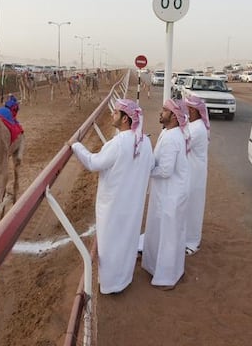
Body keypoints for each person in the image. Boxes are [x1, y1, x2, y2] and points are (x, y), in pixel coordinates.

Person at [69, 99, 153, 294]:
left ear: (125, 119)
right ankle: (123, 280)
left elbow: (93, 163)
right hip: (133, 205)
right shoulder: (145, 141)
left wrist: (76, 146)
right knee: (127, 241)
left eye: (115, 113)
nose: (112, 115)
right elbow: (150, 166)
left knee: (110, 244)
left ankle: (110, 285)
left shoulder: (118, 143)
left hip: (113, 207)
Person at [141, 98, 191, 291]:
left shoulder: (172, 138)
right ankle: (157, 267)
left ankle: (167, 277)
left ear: (174, 116)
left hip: (172, 194)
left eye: (164, 110)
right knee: (163, 232)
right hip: (167, 193)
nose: (160, 113)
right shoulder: (168, 133)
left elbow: (165, 171)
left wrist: (144, 171)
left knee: (169, 236)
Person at [183, 95, 210, 255]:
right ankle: (186, 237)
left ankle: (192, 242)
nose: (186, 111)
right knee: (188, 205)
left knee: (193, 207)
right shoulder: (193, 125)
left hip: (195, 173)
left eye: (188, 108)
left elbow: (182, 142)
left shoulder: (197, 128)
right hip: (192, 171)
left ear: (194, 110)